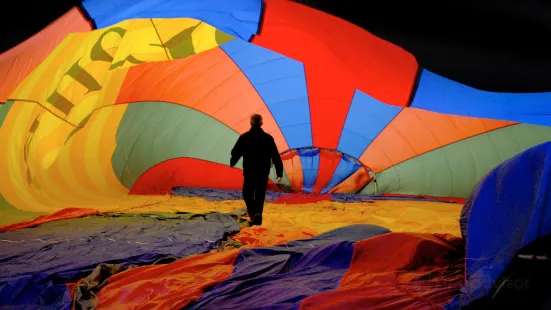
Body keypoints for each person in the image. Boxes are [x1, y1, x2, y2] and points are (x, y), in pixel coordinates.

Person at [230, 114, 283, 226]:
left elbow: (235, 152)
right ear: (261, 123)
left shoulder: (245, 137)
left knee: (247, 194)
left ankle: (253, 213)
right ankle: (257, 214)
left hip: (250, 171)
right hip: (263, 172)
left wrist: (232, 162)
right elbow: (275, 156)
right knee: (260, 195)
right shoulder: (268, 138)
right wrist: (279, 173)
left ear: (251, 123)